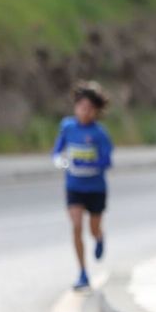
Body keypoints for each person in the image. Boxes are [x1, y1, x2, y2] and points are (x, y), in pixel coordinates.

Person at [51, 82, 114, 291]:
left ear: (96, 111)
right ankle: (82, 272)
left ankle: (99, 237)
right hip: (74, 186)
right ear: (75, 107)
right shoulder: (68, 127)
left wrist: (89, 164)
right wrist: (62, 162)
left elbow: (107, 161)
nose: (84, 112)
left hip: (95, 188)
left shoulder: (99, 133)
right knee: (76, 226)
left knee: (92, 229)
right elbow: (57, 151)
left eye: (89, 108)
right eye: (81, 107)